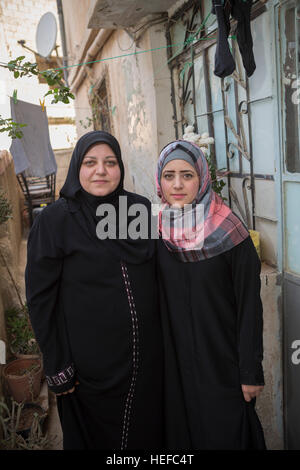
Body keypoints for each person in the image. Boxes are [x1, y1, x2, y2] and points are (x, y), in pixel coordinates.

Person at [25, 130, 163, 450]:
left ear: (120, 168)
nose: (101, 170)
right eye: (90, 162)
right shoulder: (55, 220)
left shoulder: (137, 209)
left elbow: (155, 272)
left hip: (146, 362)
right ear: (77, 168)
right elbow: (40, 299)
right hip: (89, 369)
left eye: (110, 162)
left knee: (146, 436)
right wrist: (58, 366)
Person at [156, 139, 266, 450]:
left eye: (187, 175)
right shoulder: (156, 231)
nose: (177, 185)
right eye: (169, 175)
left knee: (229, 434)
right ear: (159, 180)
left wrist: (250, 371)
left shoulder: (231, 233)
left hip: (222, 364)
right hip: (174, 365)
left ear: (203, 177)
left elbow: (249, 308)